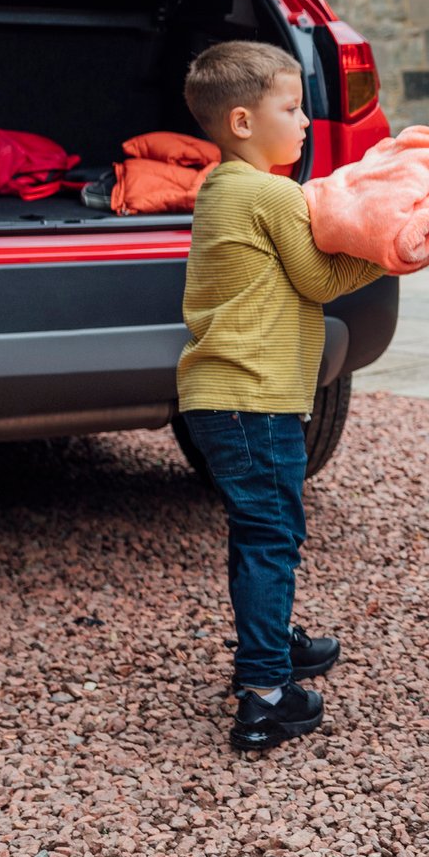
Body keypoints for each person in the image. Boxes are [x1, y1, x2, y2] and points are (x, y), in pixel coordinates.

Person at [175, 41, 384, 751]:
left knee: (258, 532)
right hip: (253, 398)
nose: (304, 123)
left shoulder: (220, 187)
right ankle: (266, 693)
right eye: (291, 109)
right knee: (272, 539)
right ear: (240, 120)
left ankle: (273, 642)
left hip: (219, 395)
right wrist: (391, 250)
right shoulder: (268, 192)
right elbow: (321, 280)